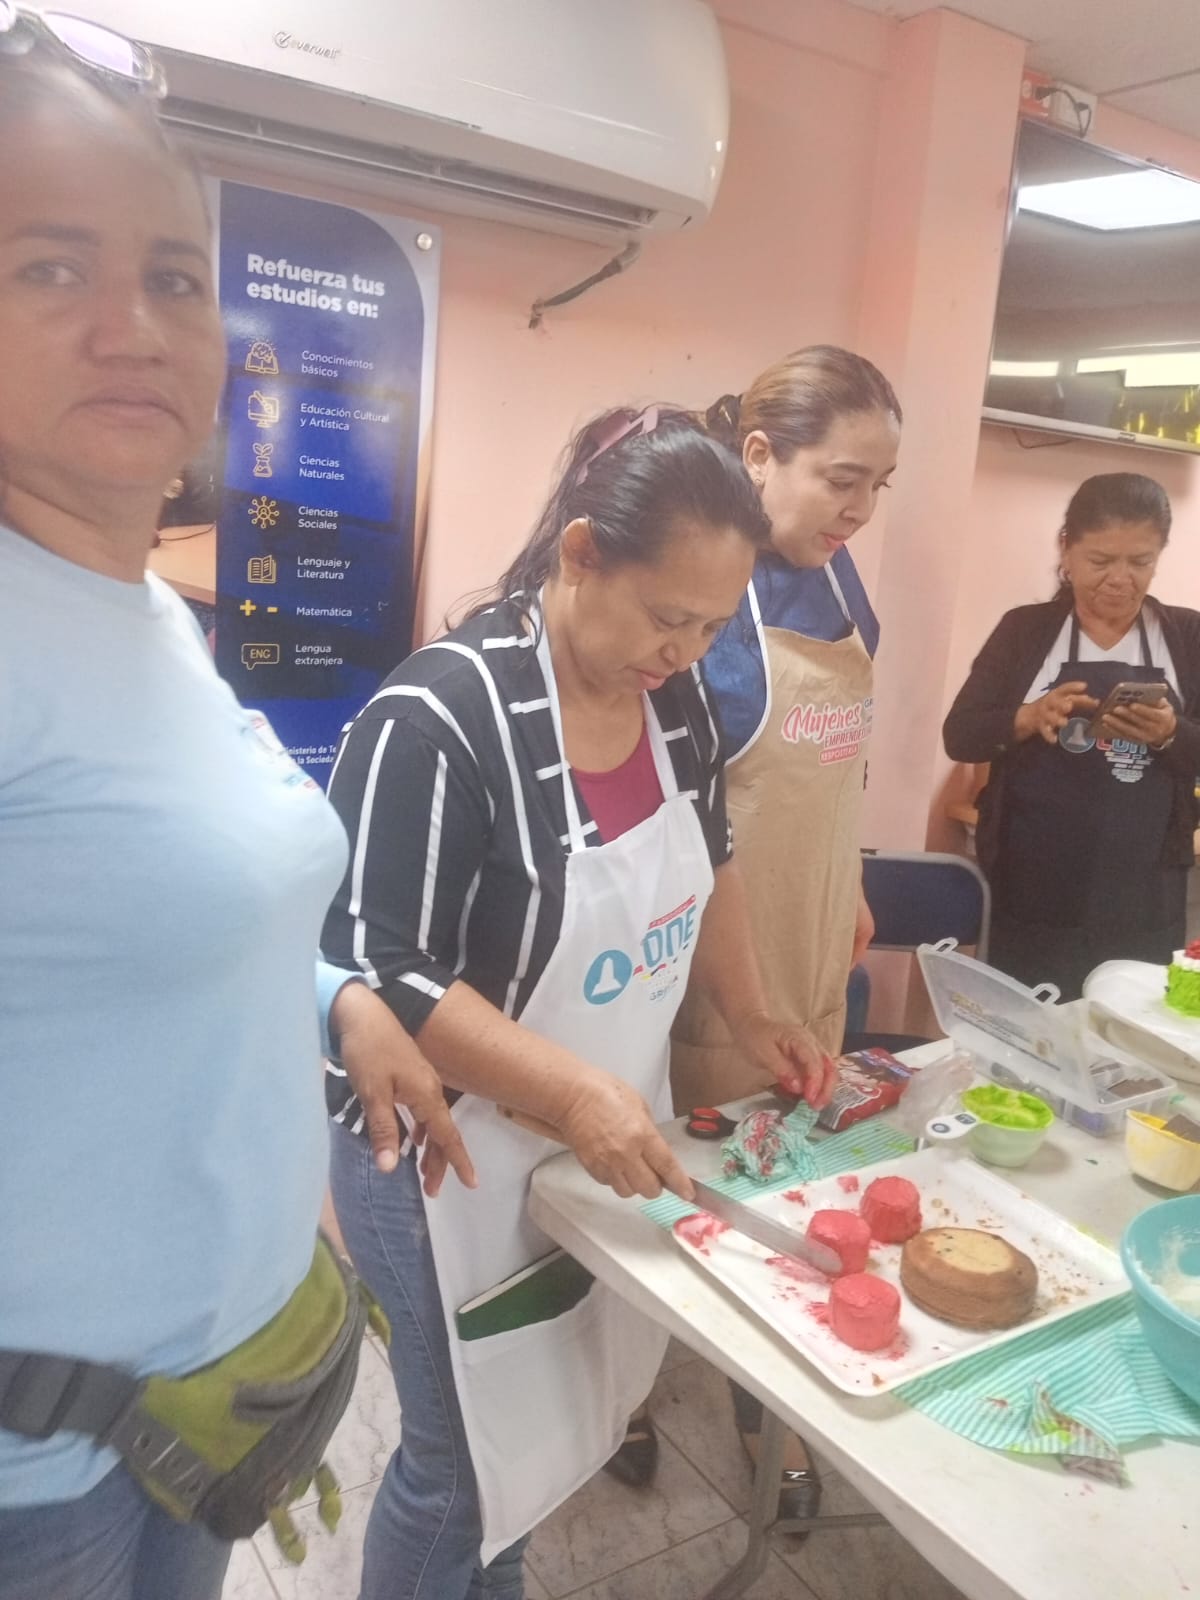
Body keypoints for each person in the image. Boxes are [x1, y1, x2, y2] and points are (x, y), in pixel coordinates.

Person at [0, 27, 471, 1600]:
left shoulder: (149, 613)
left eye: (175, 278)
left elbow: (131, 907)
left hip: (208, 1407)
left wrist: (337, 998)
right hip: (33, 1469)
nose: (131, 327)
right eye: (50, 268)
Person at [320, 407, 839, 1600]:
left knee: (536, 1452)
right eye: (667, 617)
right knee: (460, 1471)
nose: (685, 651)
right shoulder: (438, 719)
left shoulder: (677, 704)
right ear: (582, 553)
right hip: (445, 1160)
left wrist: (752, 1012)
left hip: (590, 1142)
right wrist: (570, 1092)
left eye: (712, 627)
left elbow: (709, 860)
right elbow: (384, 968)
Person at [663, 347, 901, 1515]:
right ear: (758, 456)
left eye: (878, 487)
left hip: (819, 938)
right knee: (714, 1191)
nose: (859, 511)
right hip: (728, 960)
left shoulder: (838, 578)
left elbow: (834, 766)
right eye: (841, 480)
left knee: (799, 1178)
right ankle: (658, 1399)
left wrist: (851, 880)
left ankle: (780, 1404)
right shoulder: (709, 601)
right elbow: (679, 814)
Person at [944, 472, 1200, 1000]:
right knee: (1030, 1026)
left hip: (1145, 894)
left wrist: (1170, 733)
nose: (1120, 579)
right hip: (1032, 887)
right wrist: (1028, 717)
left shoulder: (1187, 636)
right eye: (1101, 561)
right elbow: (961, 735)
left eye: (1140, 562)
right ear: (1066, 548)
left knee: (1126, 1026)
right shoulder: (1025, 631)